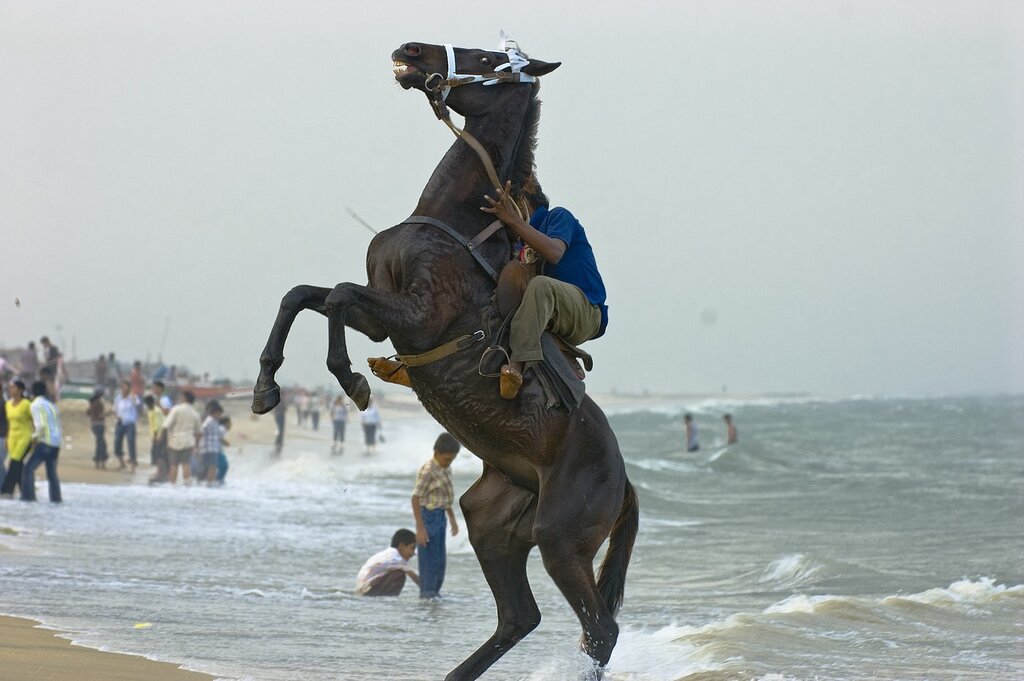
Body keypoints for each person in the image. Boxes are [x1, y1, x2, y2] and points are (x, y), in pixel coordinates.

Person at [481, 181, 608, 399]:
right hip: (550, 313)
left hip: (586, 312)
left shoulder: (558, 217)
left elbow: (554, 252)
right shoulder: (519, 241)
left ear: (522, 198)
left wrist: (512, 219)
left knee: (540, 286)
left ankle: (517, 365)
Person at [411, 432, 461, 598]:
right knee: (429, 561)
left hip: (441, 517)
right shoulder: (428, 471)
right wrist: (420, 527)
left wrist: (452, 518)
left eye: (452, 459)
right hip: (428, 518)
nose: (449, 463)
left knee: (440, 561)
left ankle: (434, 596)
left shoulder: (445, 468)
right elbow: (416, 498)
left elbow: (445, 497)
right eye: (447, 459)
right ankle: (427, 595)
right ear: (436, 453)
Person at [21, 380, 62, 502]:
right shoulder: (52, 405)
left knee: (28, 469)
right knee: (52, 474)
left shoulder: (35, 405)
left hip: (45, 443)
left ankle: (28, 497)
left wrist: (33, 438)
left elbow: (40, 426)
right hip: (56, 443)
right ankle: (56, 499)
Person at [356, 529, 421, 597]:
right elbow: (415, 578)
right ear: (401, 546)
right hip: (366, 590)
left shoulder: (389, 553)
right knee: (398, 574)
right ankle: (387, 599)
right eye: (412, 548)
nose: (414, 553)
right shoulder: (396, 558)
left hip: (362, 588)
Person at [2, 379, 34, 498]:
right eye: (10, 388)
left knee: (15, 462)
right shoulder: (8, 404)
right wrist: (6, 438)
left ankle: (7, 491)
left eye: (13, 388)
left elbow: (33, 420)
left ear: (20, 390)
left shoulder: (26, 404)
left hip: (24, 437)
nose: (11, 390)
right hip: (12, 437)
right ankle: (25, 491)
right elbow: (9, 423)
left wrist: (35, 437)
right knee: (18, 465)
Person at [162, 390, 202, 484]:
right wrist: (196, 445)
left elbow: (167, 426)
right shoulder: (195, 413)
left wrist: (170, 441)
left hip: (175, 439)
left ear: (184, 398)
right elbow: (199, 433)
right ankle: (187, 487)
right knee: (186, 464)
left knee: (173, 465)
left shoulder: (176, 409)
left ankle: (173, 486)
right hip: (188, 440)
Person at [113, 380, 142, 472]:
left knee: (131, 443)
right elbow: (115, 408)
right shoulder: (118, 397)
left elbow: (137, 403)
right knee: (117, 442)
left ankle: (133, 465)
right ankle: (122, 463)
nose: (123, 389)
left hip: (130, 423)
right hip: (120, 422)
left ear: (129, 388)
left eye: (125, 387)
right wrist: (117, 416)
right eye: (122, 387)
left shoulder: (132, 397)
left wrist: (132, 394)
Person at [196, 401, 224, 485]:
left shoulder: (213, 422)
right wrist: (196, 446)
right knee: (212, 467)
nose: (220, 416)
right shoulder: (209, 421)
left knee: (206, 468)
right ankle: (209, 484)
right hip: (209, 448)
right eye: (219, 414)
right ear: (214, 413)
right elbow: (200, 433)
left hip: (208, 448)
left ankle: (204, 483)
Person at [86, 389, 110, 469]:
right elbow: (101, 415)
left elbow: (88, 413)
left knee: (100, 443)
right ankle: (101, 463)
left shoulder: (92, 403)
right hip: (99, 424)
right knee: (101, 444)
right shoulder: (99, 403)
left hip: (94, 425)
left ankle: (98, 462)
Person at [215, 416, 231, 485]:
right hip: (217, 451)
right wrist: (226, 443)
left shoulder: (221, 428)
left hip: (217, 450)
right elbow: (219, 437)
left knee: (221, 466)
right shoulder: (222, 429)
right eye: (230, 423)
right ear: (226, 423)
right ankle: (218, 480)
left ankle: (218, 480)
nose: (230, 425)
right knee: (224, 466)